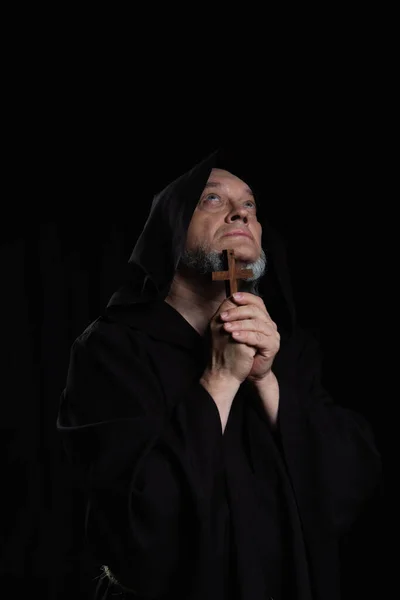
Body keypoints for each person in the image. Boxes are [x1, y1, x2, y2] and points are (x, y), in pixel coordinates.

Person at [56, 150, 382, 600]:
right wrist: (221, 380)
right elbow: (137, 519)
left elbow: (349, 482)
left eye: (250, 205)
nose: (240, 213)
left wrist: (265, 381)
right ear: (169, 230)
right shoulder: (112, 350)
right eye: (212, 199)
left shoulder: (286, 347)